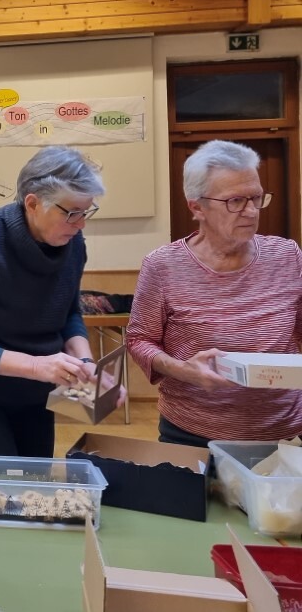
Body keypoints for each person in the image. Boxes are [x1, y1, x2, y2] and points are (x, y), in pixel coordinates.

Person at [127, 140, 302, 446]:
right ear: (197, 207)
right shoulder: (163, 265)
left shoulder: (288, 256)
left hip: (284, 431)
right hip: (193, 432)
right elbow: (139, 340)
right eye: (235, 201)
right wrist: (183, 370)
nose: (251, 211)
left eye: (256, 198)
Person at [0, 146, 105, 458]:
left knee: (35, 478)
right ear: (33, 203)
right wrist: (37, 365)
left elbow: (68, 313)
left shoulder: (72, 242)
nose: (81, 224)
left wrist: (85, 363)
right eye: (71, 213)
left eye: (86, 211)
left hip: (35, 388)